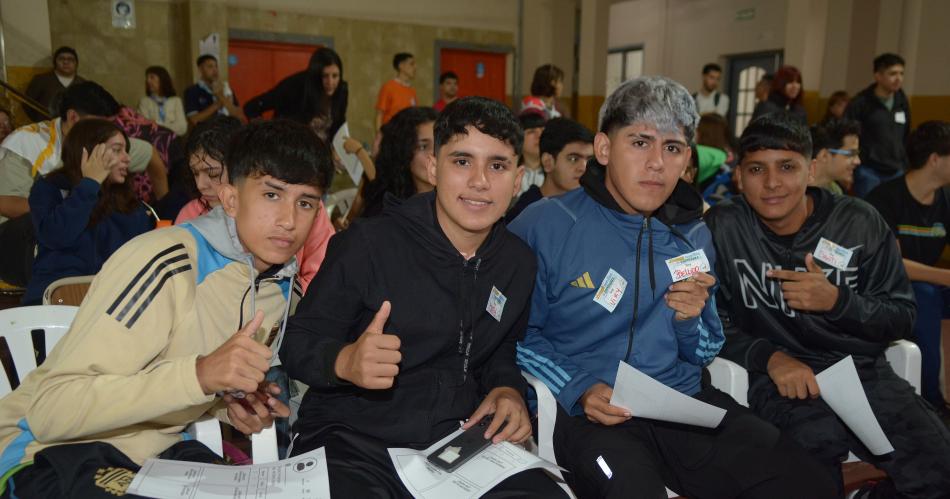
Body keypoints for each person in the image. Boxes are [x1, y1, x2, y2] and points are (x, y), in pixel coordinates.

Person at [509, 76, 836, 499]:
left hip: (683, 402)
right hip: (590, 413)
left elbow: (704, 351)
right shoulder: (545, 225)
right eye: (640, 143)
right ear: (604, 149)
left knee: (808, 483)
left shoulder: (692, 234)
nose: (657, 164)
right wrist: (580, 388)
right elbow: (512, 337)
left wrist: (689, 320)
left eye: (673, 148)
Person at [0, 119, 331, 498]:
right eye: (272, 195)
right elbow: (50, 410)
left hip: (157, 452)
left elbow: (175, 382)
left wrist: (229, 405)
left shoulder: (276, 289)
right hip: (47, 451)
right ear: (230, 198)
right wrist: (201, 375)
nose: (289, 220)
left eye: (305, 202)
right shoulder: (165, 261)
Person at [281, 97, 566, 497]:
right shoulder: (368, 244)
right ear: (433, 167)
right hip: (354, 440)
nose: (480, 181)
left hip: (458, 440)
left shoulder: (517, 262)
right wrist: (345, 361)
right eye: (462, 161)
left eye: (497, 165)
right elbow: (297, 343)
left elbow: (499, 350)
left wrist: (506, 388)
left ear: (518, 179)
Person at [706, 113, 950, 498]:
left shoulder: (859, 222)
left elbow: (901, 317)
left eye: (787, 167)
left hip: (861, 371)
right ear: (739, 175)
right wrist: (768, 357)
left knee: (938, 464)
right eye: (757, 169)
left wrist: (839, 302)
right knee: (813, 453)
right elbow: (707, 322)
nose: (772, 183)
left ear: (812, 168)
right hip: (780, 379)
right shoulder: (724, 227)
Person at [0, 82, 154, 287]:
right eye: (117, 150)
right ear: (73, 117)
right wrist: (84, 191)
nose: (127, 158)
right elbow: (6, 203)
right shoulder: (26, 144)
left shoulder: (115, 148)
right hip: (19, 237)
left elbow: (152, 156)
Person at [174, 116, 334, 294]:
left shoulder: (307, 210)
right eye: (195, 173)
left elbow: (324, 277)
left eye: (213, 173)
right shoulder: (190, 217)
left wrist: (277, 303)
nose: (201, 184)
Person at [866, 121, 950, 420]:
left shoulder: (945, 200)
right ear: (935, 159)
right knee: (926, 295)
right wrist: (944, 277)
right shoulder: (885, 198)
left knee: (931, 291)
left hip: (929, 282)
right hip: (886, 287)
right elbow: (893, 264)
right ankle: (931, 399)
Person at [23, 119, 151, 305]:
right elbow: (56, 236)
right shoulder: (51, 188)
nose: (127, 158)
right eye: (117, 150)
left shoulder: (129, 203)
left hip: (110, 303)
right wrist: (90, 184)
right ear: (88, 152)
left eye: (126, 151)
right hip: (54, 301)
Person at [244, 47, 349, 138]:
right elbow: (252, 107)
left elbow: (339, 126)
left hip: (321, 153)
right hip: (290, 149)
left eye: (335, 76)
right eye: (324, 76)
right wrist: (265, 134)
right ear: (316, 76)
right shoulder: (295, 86)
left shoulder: (341, 90)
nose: (330, 82)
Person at [846, 53, 911, 198]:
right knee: (868, 214)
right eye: (893, 73)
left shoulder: (902, 102)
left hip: (896, 170)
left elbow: (906, 134)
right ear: (878, 76)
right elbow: (848, 136)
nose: (898, 78)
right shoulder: (861, 103)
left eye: (901, 73)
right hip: (868, 171)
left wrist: (905, 163)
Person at [506, 117, 593, 223]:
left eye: (589, 160)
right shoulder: (523, 215)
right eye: (573, 159)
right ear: (548, 162)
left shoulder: (592, 206)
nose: (583, 168)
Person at [358, 106, 438, 219]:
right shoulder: (386, 212)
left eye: (440, 144)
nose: (434, 154)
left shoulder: (458, 204)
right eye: (423, 146)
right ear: (402, 152)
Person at [24, 46, 85, 123]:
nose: (66, 62)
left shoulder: (83, 84)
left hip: (75, 128)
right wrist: (40, 119)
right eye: (61, 59)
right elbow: (28, 104)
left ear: (76, 63)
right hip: (46, 127)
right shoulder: (41, 80)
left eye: (70, 59)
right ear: (55, 62)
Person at [184, 54, 247, 126]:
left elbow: (240, 117)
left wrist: (222, 97)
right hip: (205, 134)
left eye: (216, 66)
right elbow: (194, 120)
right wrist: (217, 105)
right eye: (210, 66)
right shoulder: (192, 91)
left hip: (228, 132)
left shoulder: (226, 89)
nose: (215, 70)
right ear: (200, 69)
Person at [809, 118, 861, 195]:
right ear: (824, 156)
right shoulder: (794, 189)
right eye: (850, 154)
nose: (858, 161)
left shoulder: (835, 192)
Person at [137, 65, 188, 136]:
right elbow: (144, 127)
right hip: (153, 142)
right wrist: (170, 125)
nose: (148, 81)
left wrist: (157, 123)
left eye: (152, 77)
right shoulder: (144, 102)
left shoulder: (176, 101)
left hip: (174, 141)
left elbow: (182, 128)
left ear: (162, 79)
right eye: (147, 78)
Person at [375, 52, 417, 133]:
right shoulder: (388, 87)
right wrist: (379, 137)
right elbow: (379, 114)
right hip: (391, 135)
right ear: (401, 66)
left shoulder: (412, 91)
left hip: (407, 136)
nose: (415, 67)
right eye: (411, 64)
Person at [517, 110, 546, 197]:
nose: (540, 135)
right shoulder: (511, 173)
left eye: (543, 130)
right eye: (532, 131)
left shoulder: (556, 173)